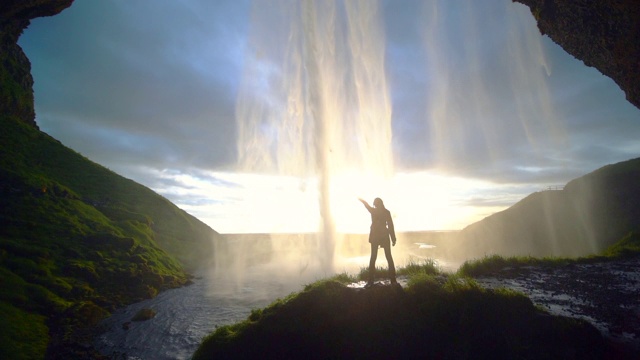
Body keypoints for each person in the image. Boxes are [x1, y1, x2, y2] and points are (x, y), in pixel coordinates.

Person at [358, 197, 397, 287]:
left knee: (374, 257)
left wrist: (361, 199)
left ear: (376, 204)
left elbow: (366, 205)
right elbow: (391, 226)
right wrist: (393, 238)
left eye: (375, 204)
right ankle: (393, 279)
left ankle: (371, 280)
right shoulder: (386, 212)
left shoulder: (373, 211)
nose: (375, 205)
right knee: (388, 257)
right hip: (383, 236)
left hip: (376, 236)